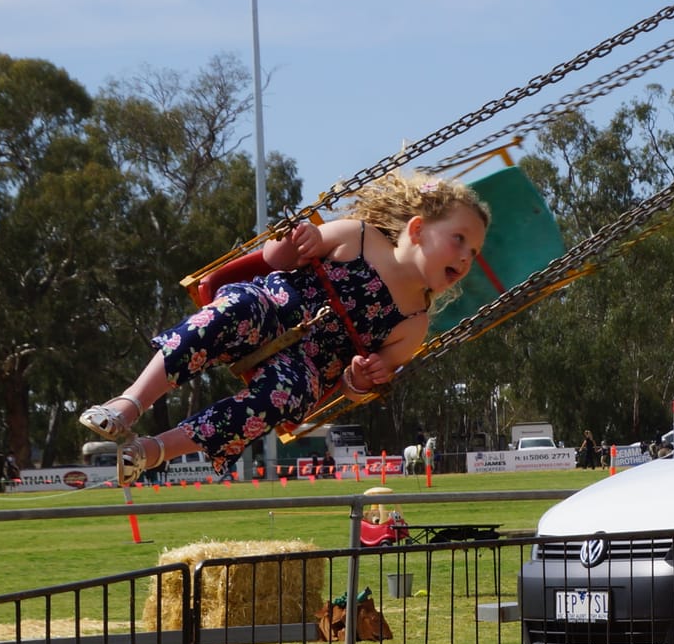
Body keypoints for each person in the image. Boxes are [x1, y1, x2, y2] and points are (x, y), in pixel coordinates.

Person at [78, 171, 491, 485]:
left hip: (309, 365)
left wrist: (363, 378)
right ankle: (129, 403)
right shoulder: (358, 237)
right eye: (458, 240)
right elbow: (276, 258)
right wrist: (296, 242)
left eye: (473, 252)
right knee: (231, 310)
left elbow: (351, 387)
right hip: (273, 307)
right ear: (417, 229)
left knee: (283, 397)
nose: (466, 257)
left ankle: (151, 451)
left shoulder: (413, 324)